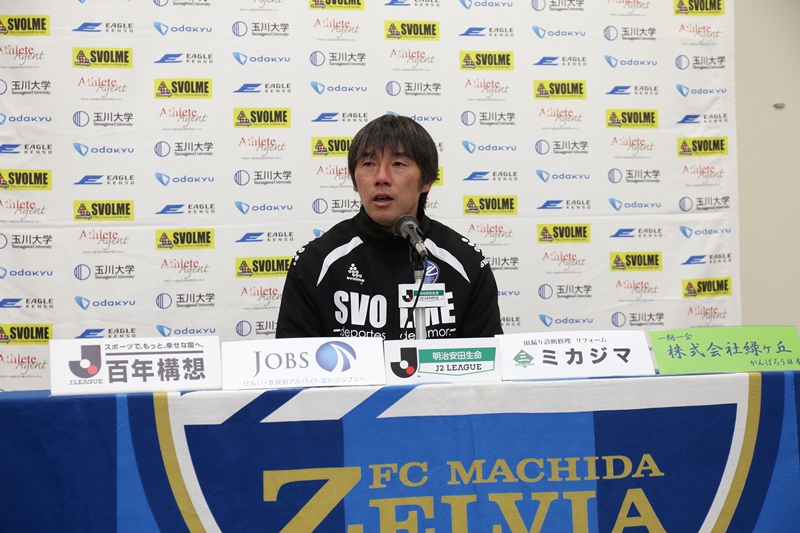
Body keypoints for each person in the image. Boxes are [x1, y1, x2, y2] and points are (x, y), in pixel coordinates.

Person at [276, 114, 503, 340]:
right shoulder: (315, 263)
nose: (381, 177)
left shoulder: (465, 261)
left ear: (426, 181)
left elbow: (486, 358)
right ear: (354, 181)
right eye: (369, 164)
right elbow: (297, 358)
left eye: (398, 164)